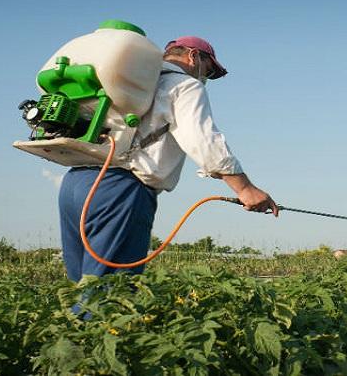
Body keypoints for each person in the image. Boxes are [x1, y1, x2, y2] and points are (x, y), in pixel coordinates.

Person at [58, 36, 278, 282]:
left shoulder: (130, 82)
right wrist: (245, 188)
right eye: (208, 70)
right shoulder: (183, 85)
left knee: (80, 285)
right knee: (110, 295)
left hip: (76, 183)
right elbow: (203, 140)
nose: (205, 78)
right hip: (120, 188)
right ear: (194, 56)